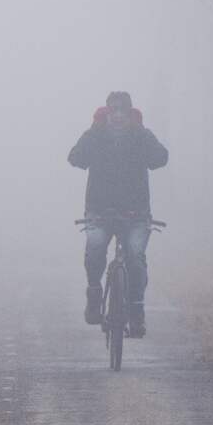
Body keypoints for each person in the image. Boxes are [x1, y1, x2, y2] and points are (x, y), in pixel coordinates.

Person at [68, 91, 169, 337]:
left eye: (123, 111)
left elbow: (160, 158)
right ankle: (94, 294)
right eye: (113, 111)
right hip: (99, 213)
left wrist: (143, 132)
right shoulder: (96, 136)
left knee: (135, 258)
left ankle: (137, 313)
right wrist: (93, 129)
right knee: (95, 247)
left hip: (136, 215)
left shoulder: (141, 136)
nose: (118, 116)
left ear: (130, 113)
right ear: (107, 113)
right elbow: (76, 158)